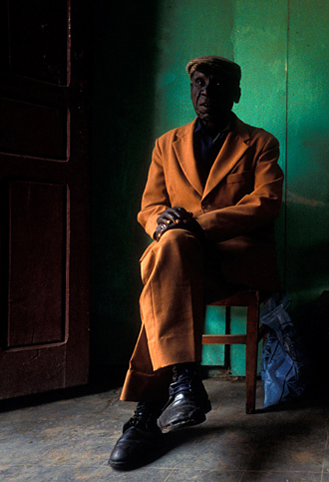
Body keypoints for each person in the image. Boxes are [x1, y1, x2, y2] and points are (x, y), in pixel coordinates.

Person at [108, 55, 284, 471]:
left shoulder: (260, 142)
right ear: (191, 90)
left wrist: (197, 225)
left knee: (165, 269)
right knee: (170, 251)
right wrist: (160, 221)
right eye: (199, 83)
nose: (206, 92)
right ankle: (181, 386)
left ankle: (152, 409)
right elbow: (150, 206)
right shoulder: (166, 145)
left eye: (218, 85)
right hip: (180, 260)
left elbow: (266, 202)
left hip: (235, 260)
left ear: (236, 94)